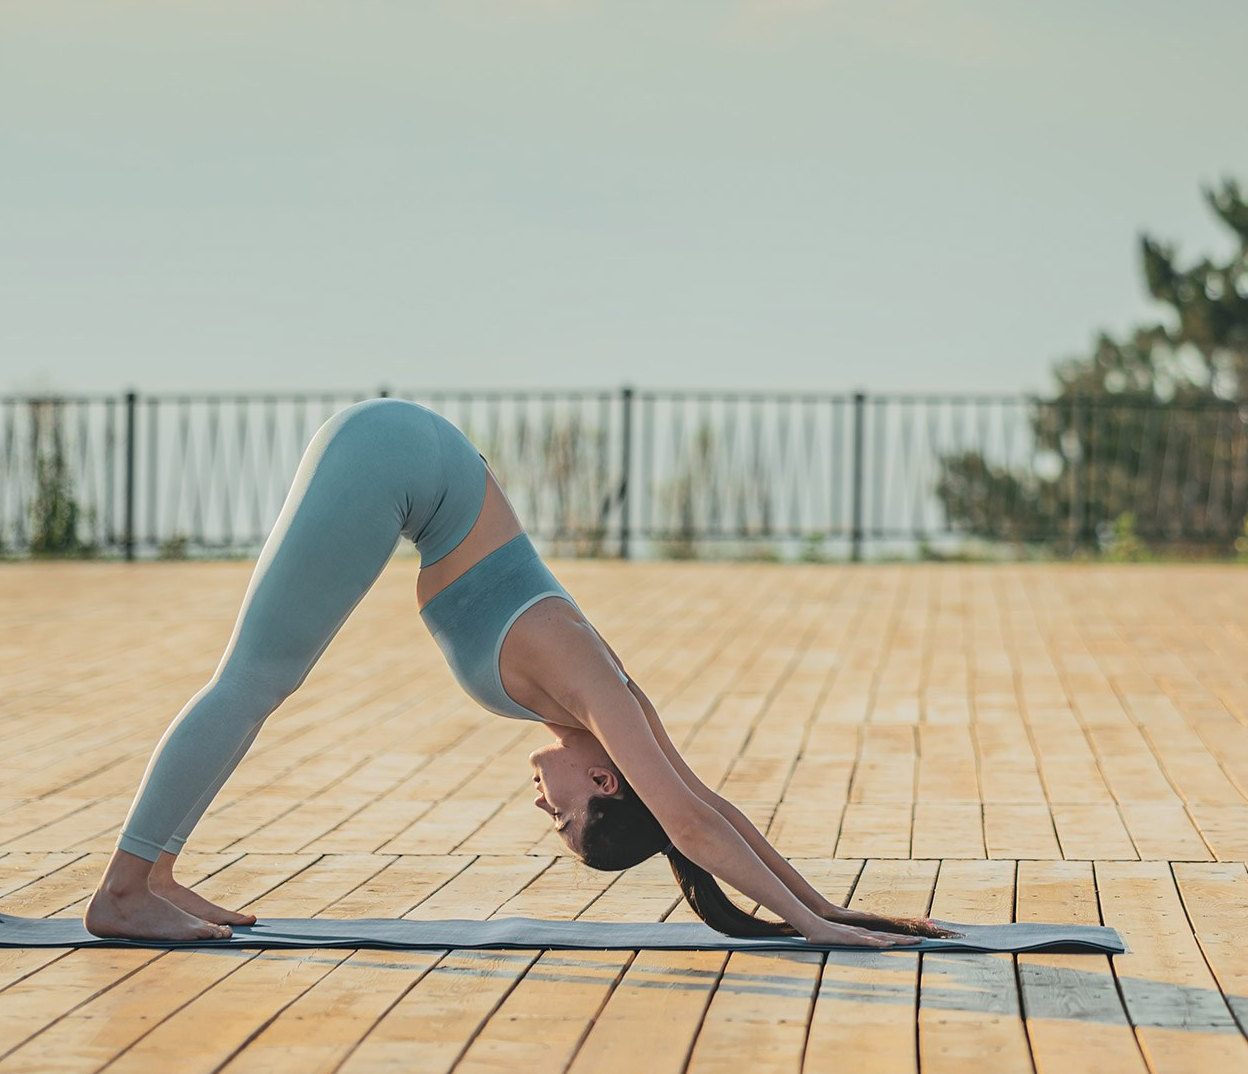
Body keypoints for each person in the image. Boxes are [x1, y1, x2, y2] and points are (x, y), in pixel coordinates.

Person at [83, 397, 944, 948]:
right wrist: (816, 930)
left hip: (412, 457)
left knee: (260, 678)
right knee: (255, 677)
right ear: (605, 779)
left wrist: (829, 907)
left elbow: (710, 807)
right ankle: (124, 889)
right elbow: (692, 825)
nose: (544, 808)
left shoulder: (610, 707)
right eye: (566, 817)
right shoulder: (596, 691)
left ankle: (153, 875)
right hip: (395, 460)